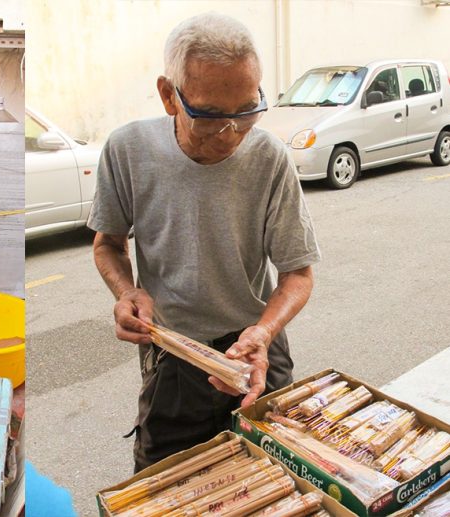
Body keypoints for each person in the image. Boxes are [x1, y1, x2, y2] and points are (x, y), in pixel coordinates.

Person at [88, 13, 320, 472]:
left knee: (273, 476)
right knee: (169, 482)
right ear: (169, 96)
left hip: (256, 351)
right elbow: (108, 244)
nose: (232, 133)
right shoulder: (128, 150)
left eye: (248, 110)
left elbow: (298, 273)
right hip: (175, 355)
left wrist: (263, 333)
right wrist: (127, 292)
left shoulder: (269, 157)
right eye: (212, 116)